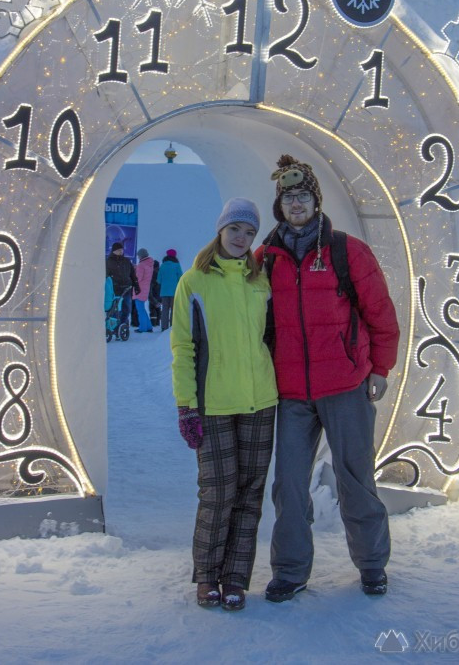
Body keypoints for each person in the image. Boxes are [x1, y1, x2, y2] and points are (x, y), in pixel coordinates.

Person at [256, 154, 400, 602]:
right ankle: (291, 570)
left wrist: (380, 367)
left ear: (315, 202)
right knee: (290, 485)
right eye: (288, 198)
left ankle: (372, 564)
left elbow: (380, 312)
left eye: (302, 196)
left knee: (355, 478)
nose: (295, 204)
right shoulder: (265, 258)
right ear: (279, 206)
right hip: (291, 392)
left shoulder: (346, 251)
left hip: (345, 384)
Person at [170, 198, 278, 611]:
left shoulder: (260, 282)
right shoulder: (194, 282)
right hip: (213, 405)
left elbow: (271, 339)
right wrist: (186, 406)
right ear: (220, 230)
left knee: (250, 494)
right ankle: (207, 576)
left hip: (260, 402)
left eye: (250, 233)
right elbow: (182, 347)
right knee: (217, 493)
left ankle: (235, 578)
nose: (242, 238)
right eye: (236, 229)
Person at [105, 241, 139, 329]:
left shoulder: (127, 261)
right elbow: (105, 276)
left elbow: (132, 274)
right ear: (114, 251)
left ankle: (123, 325)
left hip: (127, 288)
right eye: (119, 250)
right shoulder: (108, 262)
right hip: (115, 289)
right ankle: (114, 326)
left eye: (122, 250)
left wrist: (136, 285)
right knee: (115, 309)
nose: (121, 251)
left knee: (127, 308)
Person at [158, 249, 183, 331]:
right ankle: (172, 326)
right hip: (174, 291)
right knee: (174, 309)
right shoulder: (176, 265)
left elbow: (158, 280)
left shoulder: (162, 266)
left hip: (164, 292)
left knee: (164, 310)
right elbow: (181, 278)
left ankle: (164, 327)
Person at [133, 248, 154, 333]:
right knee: (142, 309)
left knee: (140, 310)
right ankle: (149, 327)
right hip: (145, 289)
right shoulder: (149, 264)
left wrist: (135, 270)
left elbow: (138, 278)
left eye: (138, 255)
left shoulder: (141, 265)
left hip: (139, 289)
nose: (137, 257)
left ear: (141, 256)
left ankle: (143, 328)